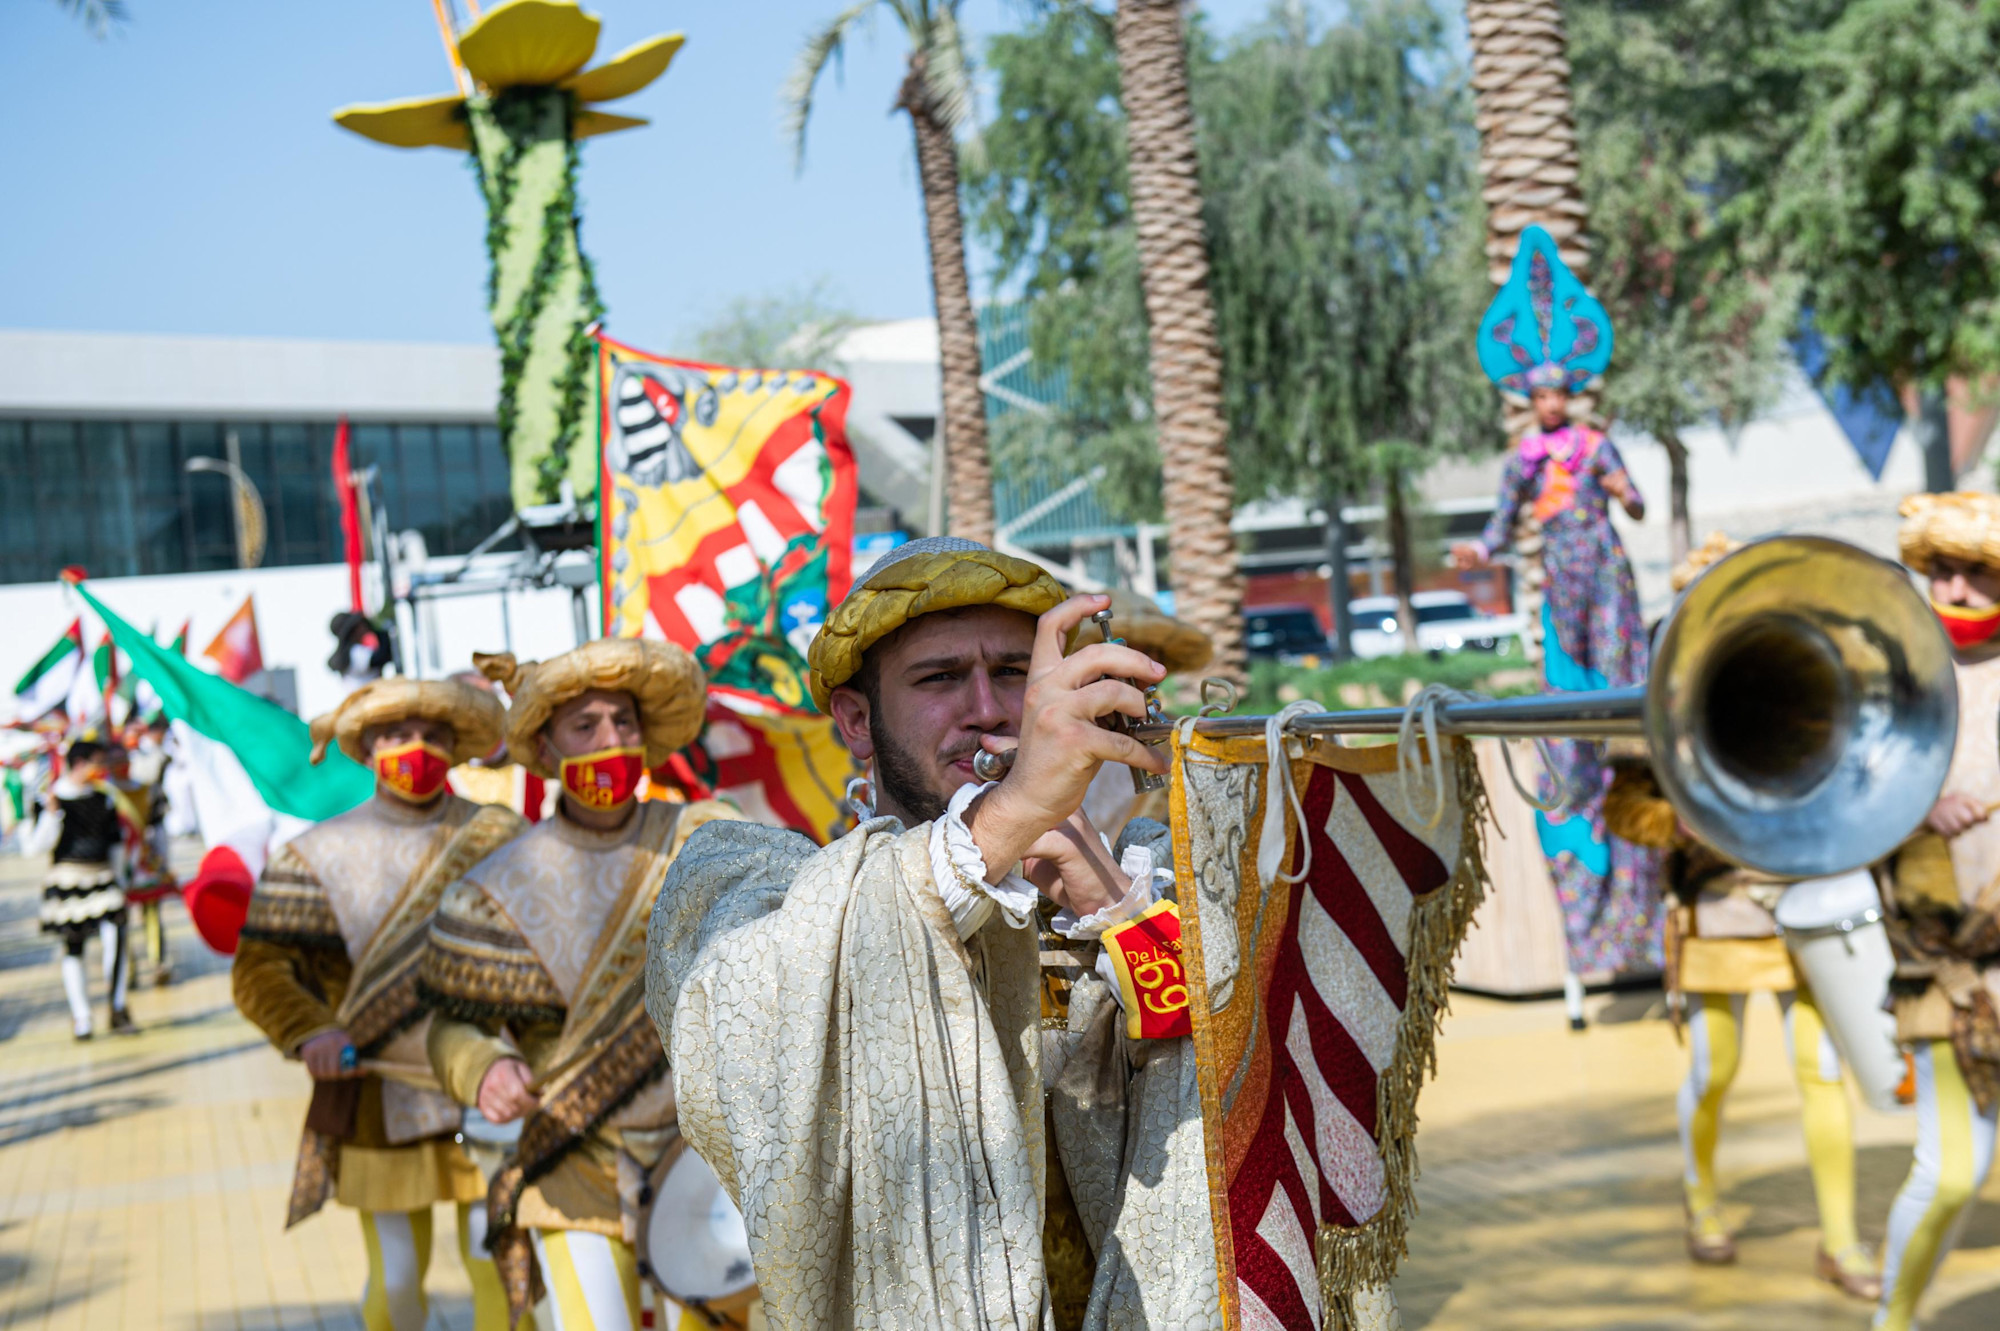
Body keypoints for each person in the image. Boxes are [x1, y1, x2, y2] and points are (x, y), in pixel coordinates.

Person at [646, 537, 1217, 1328]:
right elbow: (735, 1010)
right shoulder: (754, 880)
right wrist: (1003, 823)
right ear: (855, 719)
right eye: (941, 677)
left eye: (1014, 673)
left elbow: (1217, 1078)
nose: (987, 707)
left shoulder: (1122, 875)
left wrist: (1105, 894)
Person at [422, 639, 739, 1330]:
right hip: (572, 1157)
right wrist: (481, 1066)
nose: (609, 739)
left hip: (709, 1155)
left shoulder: (709, 836)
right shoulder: (494, 885)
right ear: (545, 745)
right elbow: (449, 1023)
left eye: (623, 721)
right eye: (584, 725)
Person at [1602, 533, 1878, 1298]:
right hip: (1719, 909)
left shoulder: (1788, 665)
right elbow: (1625, 805)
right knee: (1712, 1069)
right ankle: (1702, 1204)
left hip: (1801, 900)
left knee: (1821, 1072)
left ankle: (1843, 1241)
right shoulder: (1658, 687)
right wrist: (1680, 820)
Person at [232, 678, 524, 1331]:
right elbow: (262, 964)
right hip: (373, 1096)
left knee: (503, 1274)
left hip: (494, 1089)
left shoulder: (504, 835)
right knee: (396, 1289)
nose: (415, 748)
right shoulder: (315, 854)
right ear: (366, 749)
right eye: (396, 734)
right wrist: (308, 1031)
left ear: (457, 746)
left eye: (433, 734)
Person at [1451, 224, 1660, 1010]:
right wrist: (1477, 553)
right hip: (1560, 583)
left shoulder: (1592, 444)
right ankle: (1588, 883)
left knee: (1620, 687)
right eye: (1536, 393)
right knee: (1567, 713)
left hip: (1604, 571)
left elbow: (1630, 496)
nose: (1547, 402)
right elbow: (1501, 529)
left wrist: (1631, 497)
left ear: (1568, 391)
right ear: (1526, 397)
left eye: (1556, 392)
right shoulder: (1525, 460)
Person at [1870, 492, 2000, 1331]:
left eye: (1973, 571)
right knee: (1954, 1170)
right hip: (1945, 969)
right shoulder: (1898, 681)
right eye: (1939, 570)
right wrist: (1919, 807)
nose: (1951, 587)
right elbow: (1847, 798)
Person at [27, 737, 136, 1039]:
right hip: (68, 880)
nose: (102, 769)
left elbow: (115, 843)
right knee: (74, 948)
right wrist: (51, 815)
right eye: (97, 763)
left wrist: (121, 880)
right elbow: (36, 846)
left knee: (116, 940)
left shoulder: (104, 798)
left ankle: (117, 1006)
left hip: (103, 877)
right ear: (79, 764)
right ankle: (82, 1016)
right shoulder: (52, 799)